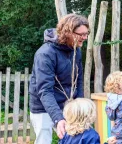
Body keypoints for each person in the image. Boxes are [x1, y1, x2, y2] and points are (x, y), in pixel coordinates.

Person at [29, 14, 89, 144]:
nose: (85, 37)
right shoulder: (45, 54)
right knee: (44, 141)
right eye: (82, 34)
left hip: (66, 105)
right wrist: (58, 119)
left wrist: (78, 106)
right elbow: (45, 90)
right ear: (68, 32)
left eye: (87, 33)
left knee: (75, 139)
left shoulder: (76, 50)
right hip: (43, 106)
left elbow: (78, 80)